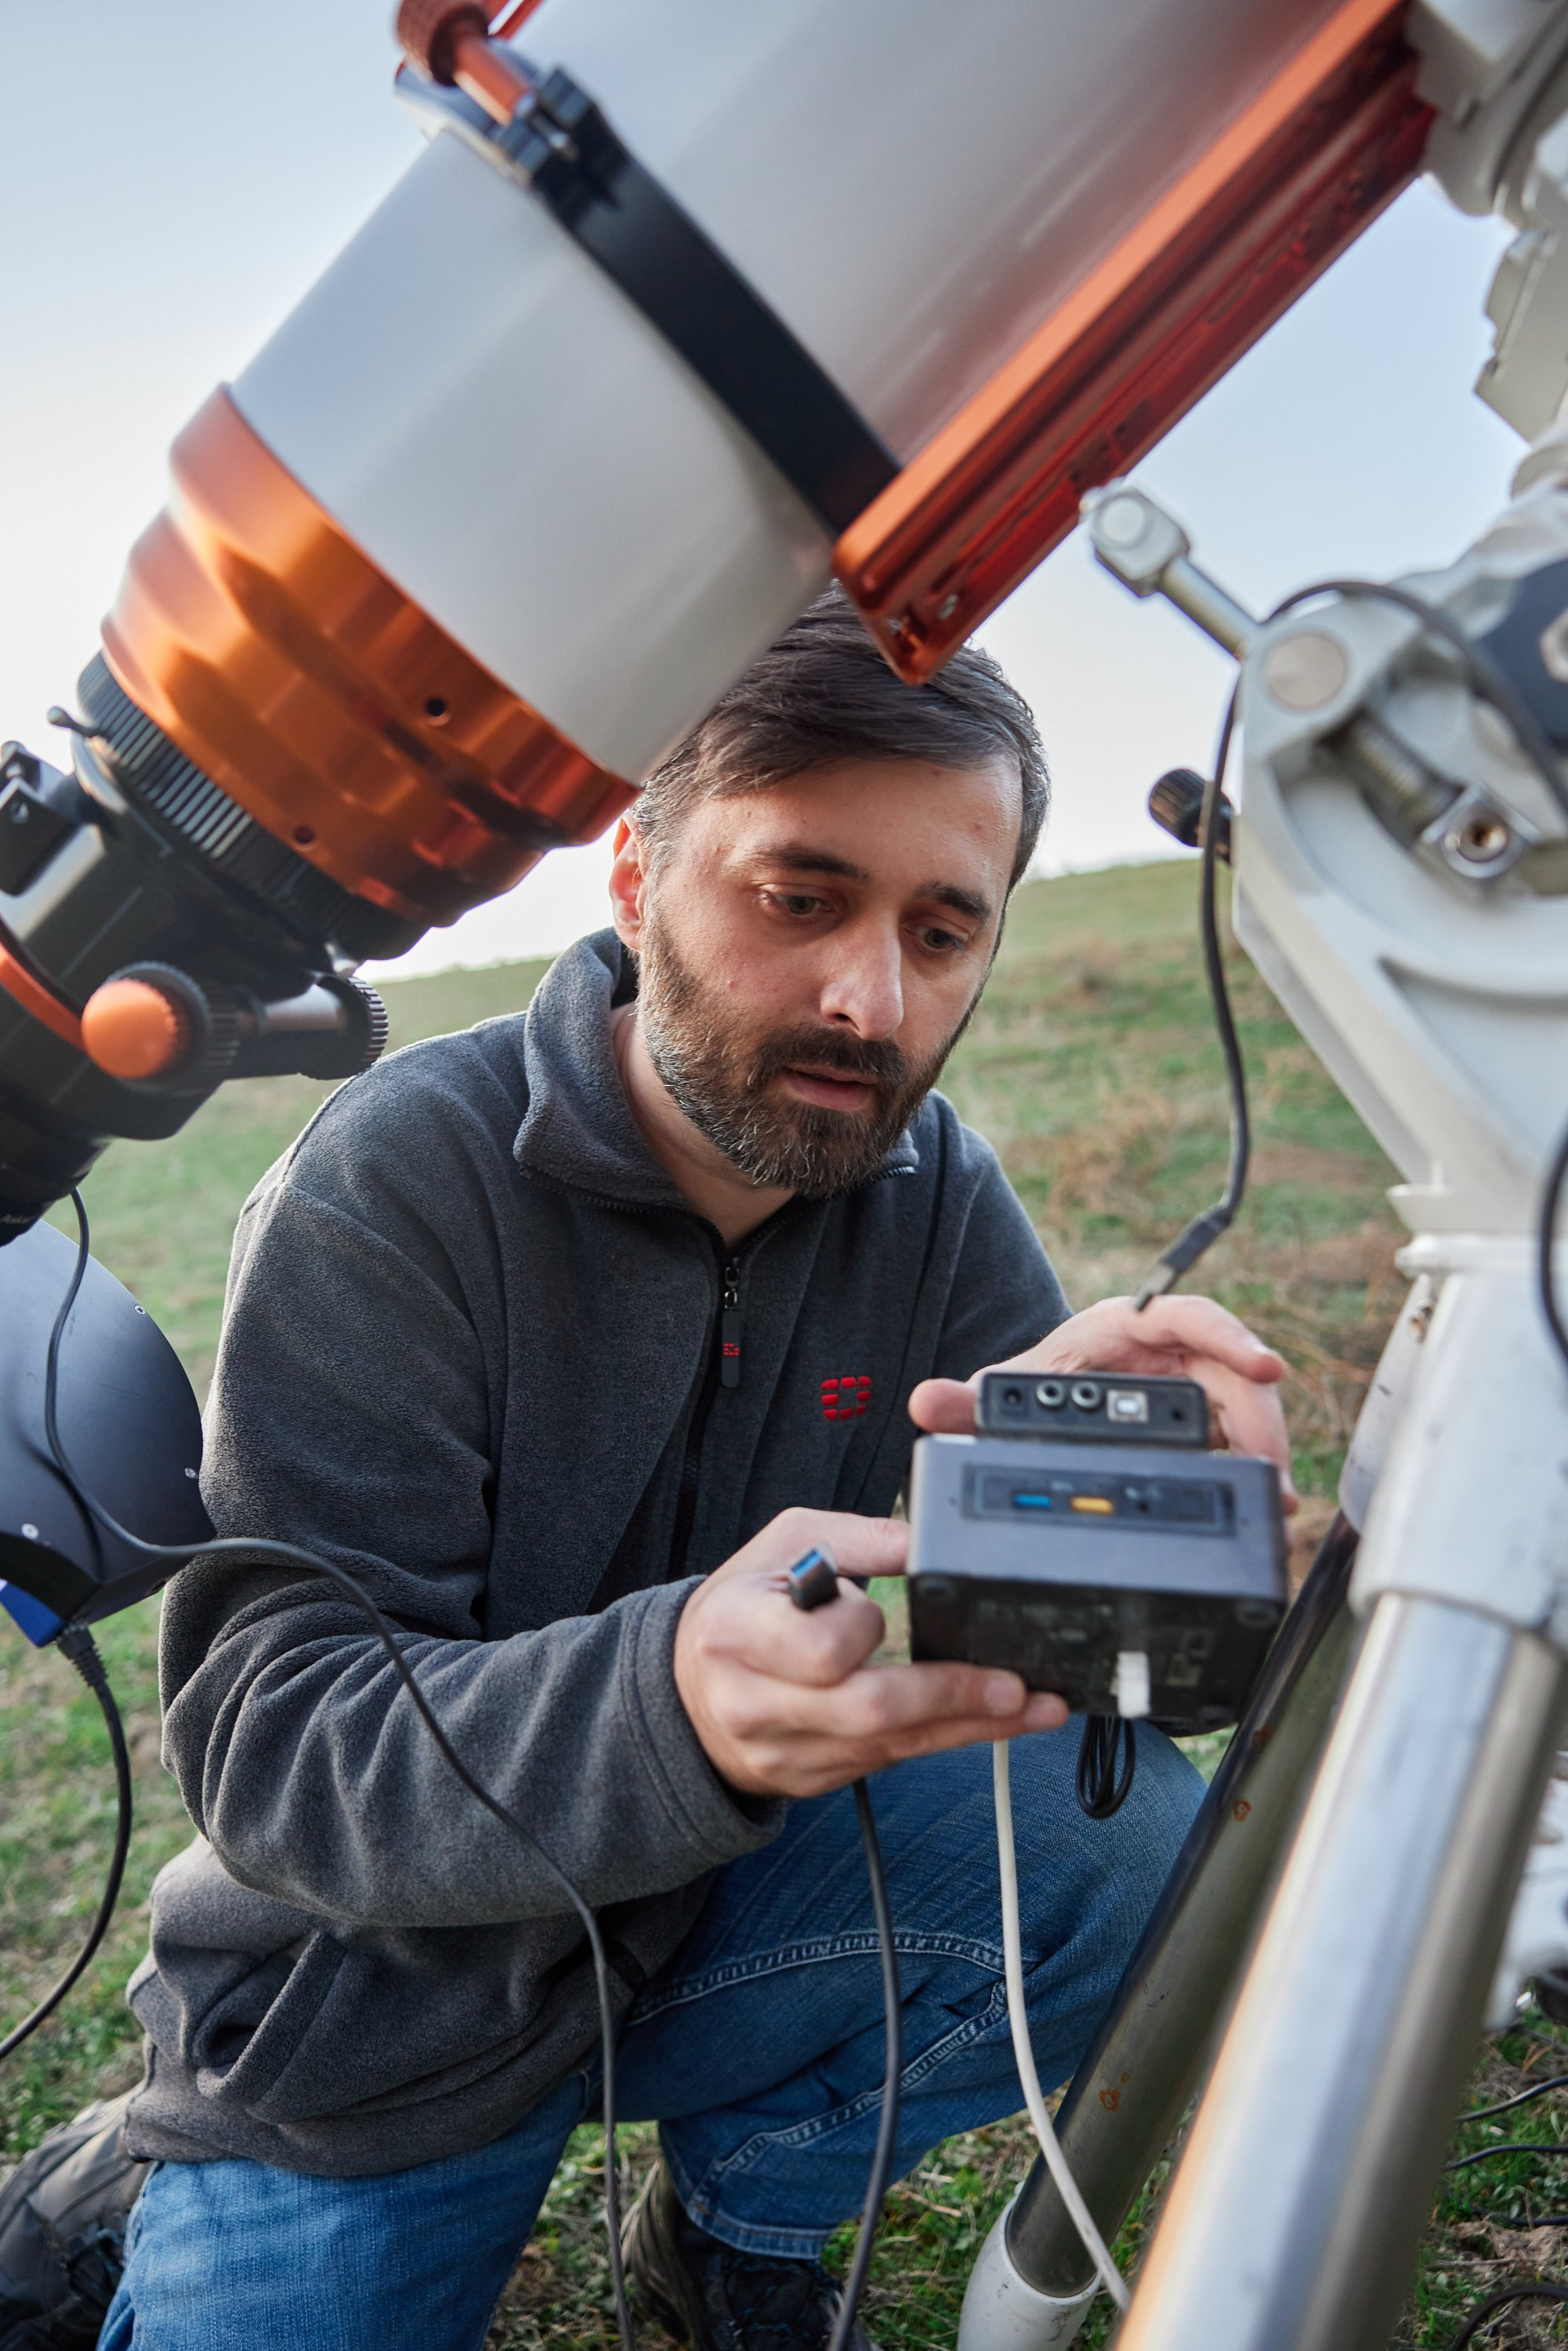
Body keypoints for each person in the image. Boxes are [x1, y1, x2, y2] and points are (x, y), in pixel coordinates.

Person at [100, 591, 1292, 2351]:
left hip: (715, 1923)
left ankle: (738, 2220)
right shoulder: (397, 1180)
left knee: (1142, 1872)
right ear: (634, 876)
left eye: (943, 931)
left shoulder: (929, 1191)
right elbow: (278, 1747)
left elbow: (1074, 1682)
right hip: (372, 2025)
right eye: (798, 897)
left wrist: (1207, 1551)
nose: (869, 1001)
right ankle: (123, 2178)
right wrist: (674, 1700)